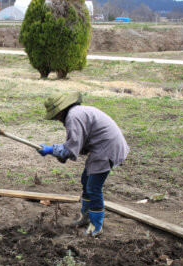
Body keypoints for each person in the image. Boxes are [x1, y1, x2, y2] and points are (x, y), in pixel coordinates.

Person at [38, 92, 129, 237]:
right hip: (101, 148)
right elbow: (77, 145)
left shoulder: (73, 117)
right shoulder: (78, 112)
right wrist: (56, 151)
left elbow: (70, 148)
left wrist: (50, 149)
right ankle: (85, 217)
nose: (57, 120)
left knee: (93, 187)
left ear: (61, 111)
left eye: (56, 116)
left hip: (107, 149)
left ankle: (96, 225)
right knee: (86, 180)